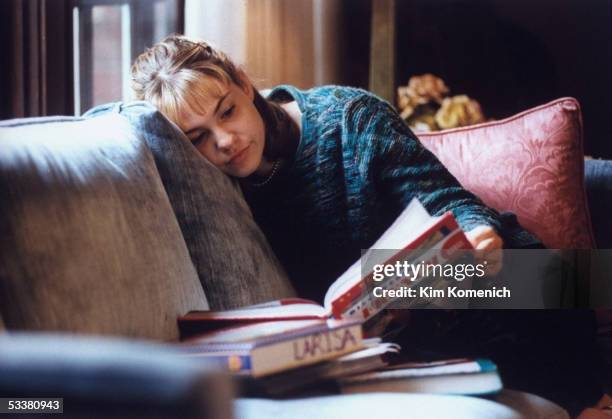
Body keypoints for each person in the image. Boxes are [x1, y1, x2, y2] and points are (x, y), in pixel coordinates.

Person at [130, 35, 602, 414]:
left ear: (244, 83)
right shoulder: (214, 188)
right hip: (399, 332)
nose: (226, 141)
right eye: (199, 138)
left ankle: (586, 390)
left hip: (480, 282)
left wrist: (478, 233)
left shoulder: (349, 118)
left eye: (228, 111)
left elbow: (443, 197)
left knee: (556, 283)